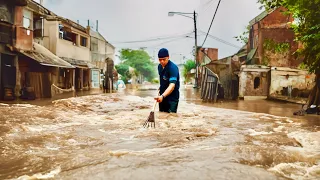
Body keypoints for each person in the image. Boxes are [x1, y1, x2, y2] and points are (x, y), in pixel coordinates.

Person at [154, 48, 180, 113]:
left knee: (171, 117)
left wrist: (162, 96)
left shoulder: (173, 68)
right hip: (162, 96)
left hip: (172, 98)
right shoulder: (159, 67)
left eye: (164, 59)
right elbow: (163, 79)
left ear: (168, 57)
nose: (162, 61)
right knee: (162, 115)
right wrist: (161, 88)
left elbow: (172, 86)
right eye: (160, 60)